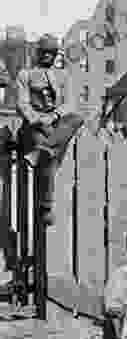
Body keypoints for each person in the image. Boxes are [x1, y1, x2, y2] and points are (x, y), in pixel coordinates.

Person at [16, 34, 84, 225]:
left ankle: (41, 151)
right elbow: (22, 105)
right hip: (34, 126)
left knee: (77, 118)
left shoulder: (63, 75)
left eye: (51, 52)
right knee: (49, 156)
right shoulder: (25, 74)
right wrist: (37, 120)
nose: (47, 56)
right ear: (37, 53)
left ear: (56, 55)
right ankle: (45, 205)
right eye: (44, 52)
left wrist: (54, 117)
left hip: (56, 123)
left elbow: (70, 104)